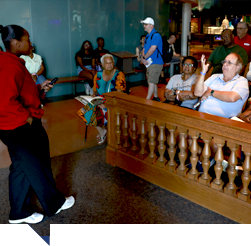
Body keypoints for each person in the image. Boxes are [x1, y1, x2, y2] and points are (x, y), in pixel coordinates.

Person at [0, 24, 75, 224]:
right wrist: (27, 117)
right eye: (27, 39)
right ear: (16, 43)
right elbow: (5, 101)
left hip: (15, 124)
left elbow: (19, 91)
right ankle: (55, 203)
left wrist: (39, 88)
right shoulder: (10, 64)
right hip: (18, 125)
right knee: (35, 164)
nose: (30, 43)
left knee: (20, 167)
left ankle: (18, 212)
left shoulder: (11, 61)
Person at [77, 54, 126, 144]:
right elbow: (95, 92)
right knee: (84, 112)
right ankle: (102, 131)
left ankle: (104, 130)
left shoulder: (119, 75)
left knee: (94, 112)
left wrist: (106, 104)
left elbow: (120, 94)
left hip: (113, 101)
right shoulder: (98, 75)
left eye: (111, 62)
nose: (109, 65)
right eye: (106, 63)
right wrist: (91, 97)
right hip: (99, 100)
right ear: (102, 65)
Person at [195, 53, 249, 119]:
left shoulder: (242, 81)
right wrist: (203, 72)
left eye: (229, 62)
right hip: (201, 116)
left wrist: (211, 92)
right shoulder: (214, 77)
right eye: (224, 61)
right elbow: (197, 93)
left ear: (237, 68)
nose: (225, 64)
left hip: (224, 123)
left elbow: (232, 97)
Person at [140, 17, 164, 101]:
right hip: (149, 62)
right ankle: (156, 97)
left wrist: (144, 58)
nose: (144, 26)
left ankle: (147, 100)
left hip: (156, 62)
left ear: (151, 25)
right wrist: (143, 58)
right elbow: (144, 48)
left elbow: (153, 48)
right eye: (144, 24)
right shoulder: (147, 36)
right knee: (152, 81)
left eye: (146, 24)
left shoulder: (156, 35)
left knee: (151, 82)